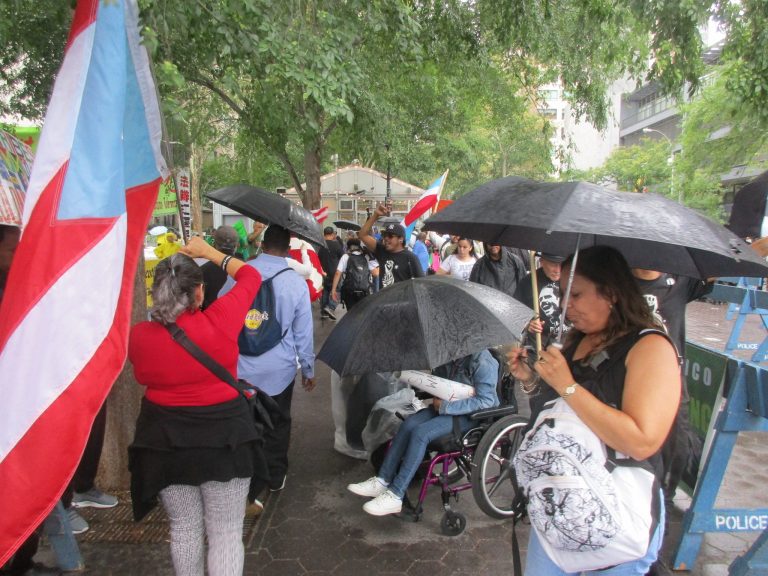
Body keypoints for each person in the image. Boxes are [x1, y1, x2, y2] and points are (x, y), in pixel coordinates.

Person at [508, 245, 681, 576]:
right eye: (562, 295)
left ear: (612, 293)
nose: (564, 306)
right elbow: (554, 415)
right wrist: (530, 379)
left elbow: (641, 441)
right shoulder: (574, 340)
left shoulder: (650, 348)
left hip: (617, 517)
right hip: (559, 509)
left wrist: (568, 386)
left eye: (576, 295)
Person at [128, 236, 267, 576]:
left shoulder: (138, 336)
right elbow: (251, 276)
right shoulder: (219, 319)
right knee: (225, 533)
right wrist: (209, 252)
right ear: (199, 292)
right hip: (224, 438)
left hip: (164, 439)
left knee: (185, 528)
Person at [346, 350, 499, 516]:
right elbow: (440, 385)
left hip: (469, 416)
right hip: (445, 407)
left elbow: (487, 401)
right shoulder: (449, 356)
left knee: (421, 433)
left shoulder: (483, 361)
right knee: (408, 425)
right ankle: (383, 480)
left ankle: (396, 494)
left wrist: (446, 407)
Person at [632, 269, 712, 576]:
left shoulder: (681, 281)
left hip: (673, 392)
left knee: (672, 466)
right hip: (633, 388)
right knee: (640, 471)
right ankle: (641, 549)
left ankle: (655, 548)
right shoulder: (619, 280)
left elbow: (724, 263)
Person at [227, 225, 316, 499]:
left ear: (263, 245)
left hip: (241, 366)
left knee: (244, 422)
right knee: (278, 422)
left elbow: (221, 313)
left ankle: (244, 476)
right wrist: (308, 369)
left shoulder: (238, 274)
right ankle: (275, 476)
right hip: (280, 369)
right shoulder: (296, 283)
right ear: (288, 249)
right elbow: (303, 333)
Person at [358, 205, 424, 288]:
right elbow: (362, 235)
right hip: (384, 299)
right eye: (384, 235)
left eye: (390, 236)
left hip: (402, 300)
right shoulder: (381, 251)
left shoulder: (410, 257)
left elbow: (421, 283)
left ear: (400, 239)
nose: (386, 238)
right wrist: (375, 215)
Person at [514, 252, 568, 345]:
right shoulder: (528, 282)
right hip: (538, 342)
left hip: (567, 341)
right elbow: (515, 312)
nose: (558, 270)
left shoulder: (573, 279)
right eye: (553, 264)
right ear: (542, 261)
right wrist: (527, 323)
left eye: (561, 264)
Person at [200, 225, 240, 310]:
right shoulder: (246, 268)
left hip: (210, 318)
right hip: (239, 319)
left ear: (214, 244)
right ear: (236, 245)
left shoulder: (203, 269)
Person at [330, 238, 376, 310]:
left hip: (349, 290)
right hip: (364, 291)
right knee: (362, 313)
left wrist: (333, 290)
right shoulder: (366, 257)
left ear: (348, 247)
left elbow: (337, 273)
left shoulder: (345, 257)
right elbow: (375, 273)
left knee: (351, 312)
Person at [317, 226, 344, 319]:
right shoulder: (336, 245)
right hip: (335, 272)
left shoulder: (319, 245)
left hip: (323, 272)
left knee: (325, 291)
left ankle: (324, 310)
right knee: (337, 290)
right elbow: (343, 257)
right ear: (332, 234)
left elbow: (317, 258)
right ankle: (331, 307)